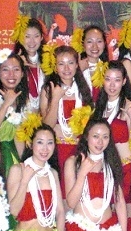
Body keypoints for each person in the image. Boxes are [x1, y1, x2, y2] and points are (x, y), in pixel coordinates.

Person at [7, 120, 79, 231]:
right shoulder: (18, 170)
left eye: (50, 143)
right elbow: (14, 211)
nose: (45, 148)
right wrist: (25, 181)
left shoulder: (52, 173)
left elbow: (60, 211)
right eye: (40, 142)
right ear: (30, 144)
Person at [64, 119, 131, 231]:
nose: (100, 142)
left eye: (105, 137)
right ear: (86, 136)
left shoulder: (111, 162)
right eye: (95, 136)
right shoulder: (73, 162)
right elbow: (71, 203)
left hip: (108, 228)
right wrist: (82, 173)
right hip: (82, 229)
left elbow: (120, 202)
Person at [92, 60, 131, 214]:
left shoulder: (130, 107)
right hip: (103, 167)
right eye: (108, 79)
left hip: (124, 168)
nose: (112, 85)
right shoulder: (98, 106)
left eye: (117, 80)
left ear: (124, 81)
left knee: (125, 210)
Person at [40, 45, 93, 175]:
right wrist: (55, 99)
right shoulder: (48, 89)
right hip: (56, 151)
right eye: (61, 64)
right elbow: (47, 126)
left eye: (70, 63)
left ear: (77, 65)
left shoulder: (84, 89)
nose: (66, 68)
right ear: (55, 67)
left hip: (79, 149)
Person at [13, 17, 47, 110]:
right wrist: (17, 66)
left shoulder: (49, 61)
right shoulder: (11, 62)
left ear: (41, 37)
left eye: (36, 36)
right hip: (20, 113)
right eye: (27, 36)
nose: (32, 41)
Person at [77, 25, 109, 101]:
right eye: (90, 41)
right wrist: (78, 71)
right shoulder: (73, 68)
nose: (95, 46)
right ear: (83, 44)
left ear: (104, 44)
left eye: (99, 41)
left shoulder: (109, 69)